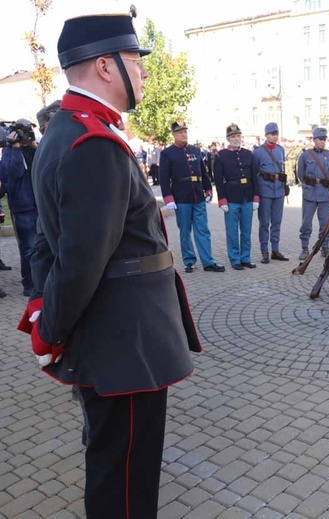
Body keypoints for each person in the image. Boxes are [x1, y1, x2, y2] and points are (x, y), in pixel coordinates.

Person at [22, 13, 202, 517]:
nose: (142, 73)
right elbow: (79, 261)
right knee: (124, 479)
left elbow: (46, 242)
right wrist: (49, 330)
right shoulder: (91, 141)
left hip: (119, 338)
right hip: (124, 342)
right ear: (105, 66)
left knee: (118, 467)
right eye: (134, 62)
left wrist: (40, 306)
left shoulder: (71, 130)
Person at [160, 121, 225, 272]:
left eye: (185, 131)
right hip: (181, 196)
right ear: (174, 135)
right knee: (184, 231)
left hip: (198, 195)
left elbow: (203, 171)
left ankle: (208, 261)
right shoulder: (167, 153)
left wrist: (208, 189)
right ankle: (189, 261)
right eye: (180, 132)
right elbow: (163, 178)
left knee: (203, 229)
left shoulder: (195, 150)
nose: (184, 134)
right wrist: (168, 198)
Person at [0, 119, 39, 296]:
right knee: (29, 248)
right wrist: (14, 148)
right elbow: (13, 174)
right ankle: (29, 284)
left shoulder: (34, 149)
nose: (28, 134)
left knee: (43, 246)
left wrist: (34, 145)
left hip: (40, 206)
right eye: (25, 131)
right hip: (23, 209)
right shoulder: (9, 153)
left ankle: (42, 280)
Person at [214, 123, 258, 270]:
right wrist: (222, 200)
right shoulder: (221, 156)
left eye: (238, 136)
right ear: (228, 138)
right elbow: (218, 180)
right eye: (233, 136)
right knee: (232, 231)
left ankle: (245, 257)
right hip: (231, 198)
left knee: (246, 230)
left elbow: (254, 177)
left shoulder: (248, 154)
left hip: (247, 196)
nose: (236, 139)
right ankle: (234, 259)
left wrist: (256, 197)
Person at [253, 122, 289, 263]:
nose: (275, 137)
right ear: (266, 135)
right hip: (265, 190)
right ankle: (264, 251)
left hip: (278, 190)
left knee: (277, 222)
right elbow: (255, 174)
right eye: (272, 134)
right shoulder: (257, 152)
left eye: (276, 134)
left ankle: (275, 249)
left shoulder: (280, 150)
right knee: (264, 223)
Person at [297, 127, 329, 260]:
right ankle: (305, 247)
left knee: (325, 222)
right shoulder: (305, 155)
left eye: (324, 139)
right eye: (320, 139)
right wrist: (308, 184)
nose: (323, 142)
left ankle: (325, 246)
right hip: (310, 193)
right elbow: (300, 174)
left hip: (324, 193)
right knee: (306, 222)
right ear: (314, 140)